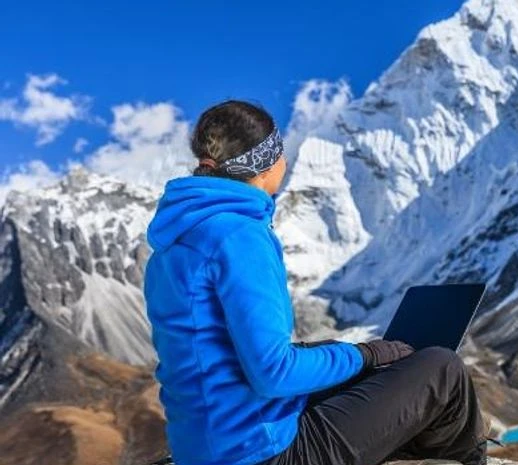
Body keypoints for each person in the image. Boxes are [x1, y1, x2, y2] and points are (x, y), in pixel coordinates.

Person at [144, 100, 487, 465]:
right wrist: (364, 355)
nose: (286, 160)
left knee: (363, 371)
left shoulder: (172, 246)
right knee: (442, 367)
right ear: (266, 162)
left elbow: (224, 357)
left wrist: (352, 358)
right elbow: (274, 374)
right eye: (280, 150)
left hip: (206, 447)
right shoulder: (240, 237)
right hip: (262, 453)